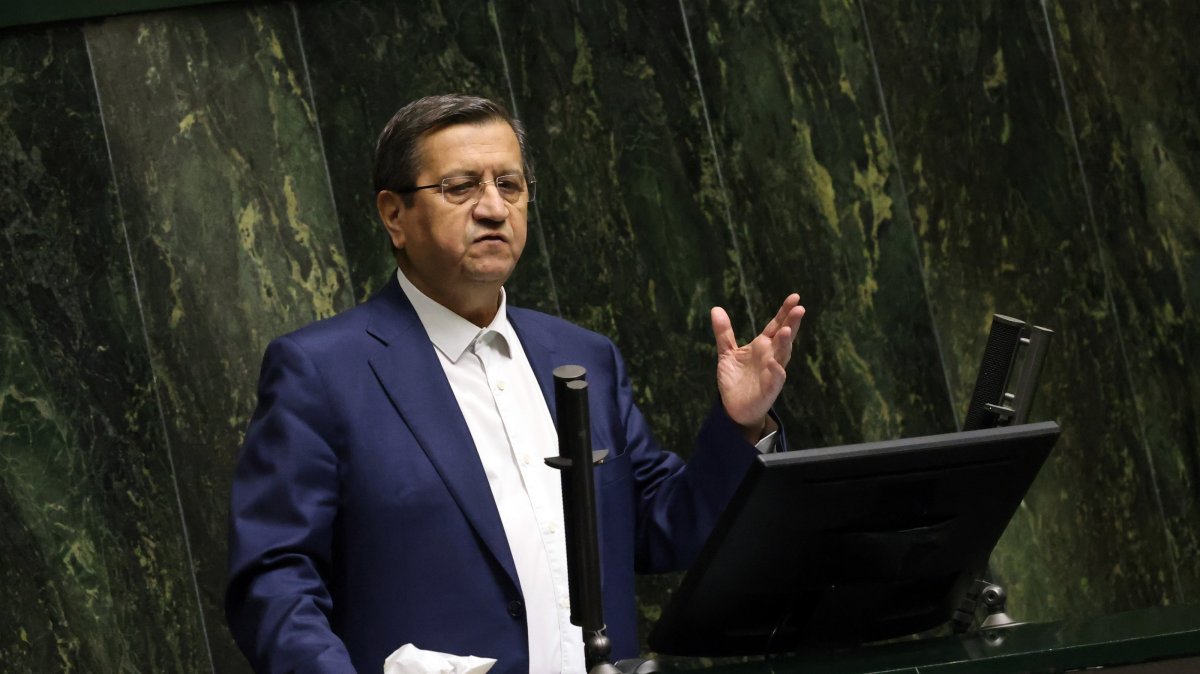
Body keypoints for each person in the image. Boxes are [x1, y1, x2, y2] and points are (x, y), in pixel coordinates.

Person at [226, 94, 805, 674]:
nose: (493, 208)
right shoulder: (322, 372)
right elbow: (273, 581)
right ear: (394, 215)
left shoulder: (583, 357)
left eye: (509, 183)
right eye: (460, 187)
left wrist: (742, 424)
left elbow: (660, 527)